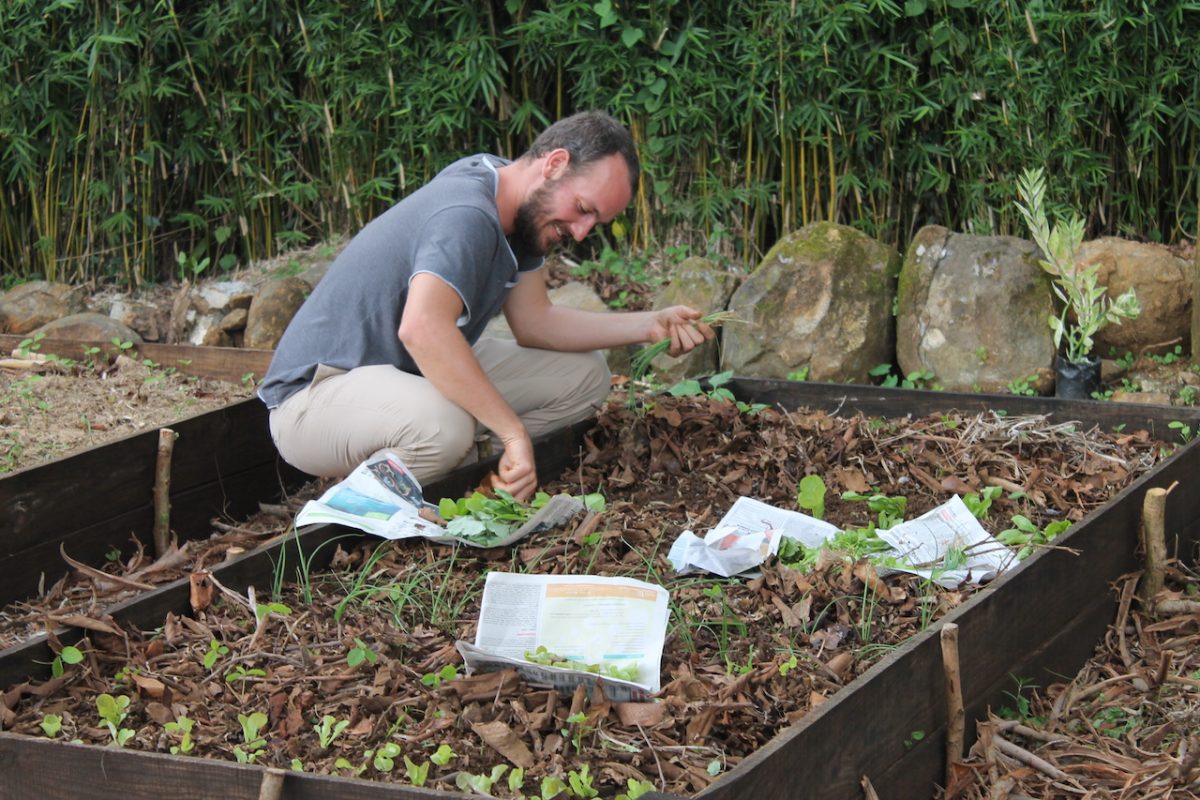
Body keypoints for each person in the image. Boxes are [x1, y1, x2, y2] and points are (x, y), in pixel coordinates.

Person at [258, 110, 713, 501]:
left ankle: (462, 469)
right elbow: (423, 330)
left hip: (403, 375)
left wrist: (650, 324)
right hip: (315, 398)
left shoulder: (519, 204)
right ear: (554, 164)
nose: (581, 231)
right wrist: (513, 432)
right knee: (445, 426)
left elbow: (537, 323)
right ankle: (348, 508)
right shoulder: (469, 214)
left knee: (584, 378)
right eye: (583, 208)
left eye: (596, 220)